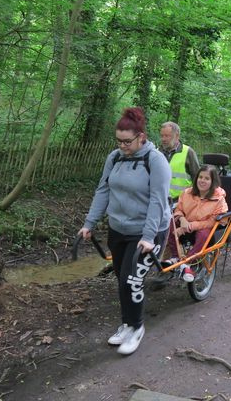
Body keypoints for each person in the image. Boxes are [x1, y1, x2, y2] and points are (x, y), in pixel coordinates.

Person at [79, 107, 171, 356]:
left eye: (127, 141)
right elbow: (103, 190)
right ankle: (127, 324)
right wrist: (89, 223)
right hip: (119, 229)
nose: (122, 145)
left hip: (146, 232)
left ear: (141, 136)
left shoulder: (156, 161)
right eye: (118, 140)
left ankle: (137, 327)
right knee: (122, 280)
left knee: (132, 281)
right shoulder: (115, 157)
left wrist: (149, 237)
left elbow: (158, 201)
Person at [164, 165, 228, 282]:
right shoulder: (187, 192)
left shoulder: (219, 199)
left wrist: (188, 227)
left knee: (203, 234)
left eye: (207, 178)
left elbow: (211, 222)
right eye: (200, 177)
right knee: (169, 223)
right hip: (186, 222)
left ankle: (187, 264)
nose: (202, 181)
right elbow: (178, 209)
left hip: (204, 228)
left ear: (213, 182)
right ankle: (175, 257)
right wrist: (182, 220)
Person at [159, 121, 200, 201]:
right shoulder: (156, 153)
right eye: (162, 136)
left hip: (181, 202)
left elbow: (197, 178)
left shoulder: (188, 152)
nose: (163, 139)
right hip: (159, 201)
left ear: (177, 136)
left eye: (167, 136)